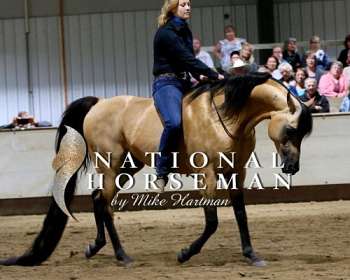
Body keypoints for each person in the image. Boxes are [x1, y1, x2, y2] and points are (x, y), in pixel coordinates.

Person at [152, 0, 224, 190]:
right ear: (173, 8)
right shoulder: (166, 33)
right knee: (174, 123)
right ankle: (162, 170)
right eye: (183, 4)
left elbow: (186, 61)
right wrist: (213, 74)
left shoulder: (185, 30)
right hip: (166, 82)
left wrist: (198, 75)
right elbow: (186, 58)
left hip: (184, 81)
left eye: (189, 4)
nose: (188, 7)